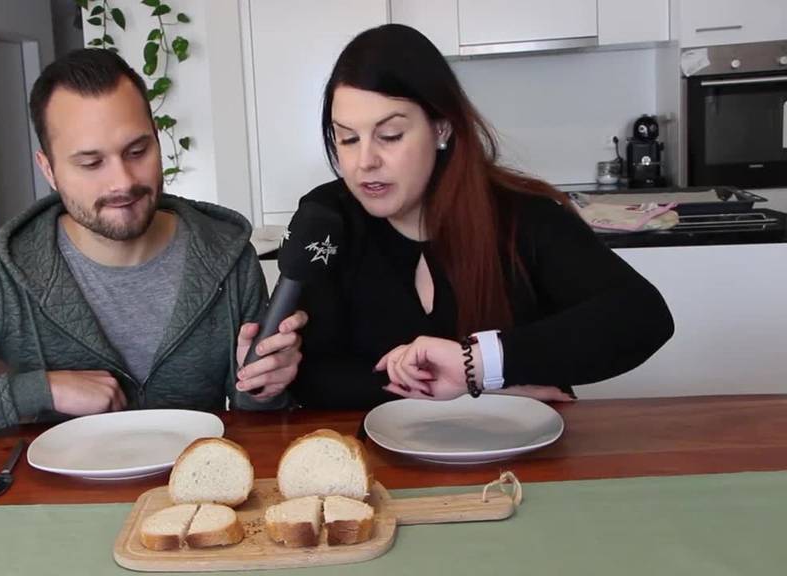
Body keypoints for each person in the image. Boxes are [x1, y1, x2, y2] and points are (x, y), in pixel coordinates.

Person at [0, 49, 304, 453]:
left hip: (194, 505)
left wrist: (264, 385)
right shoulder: (3, 274)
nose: (122, 181)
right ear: (49, 168)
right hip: (59, 514)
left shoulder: (225, 253)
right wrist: (40, 390)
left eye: (137, 150)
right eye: (90, 162)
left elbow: (256, 422)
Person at [289, 25, 674, 409]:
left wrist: (477, 364)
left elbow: (642, 317)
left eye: (389, 135)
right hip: (379, 462)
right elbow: (308, 375)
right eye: (348, 139)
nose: (365, 162)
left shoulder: (524, 217)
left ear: (441, 127)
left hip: (519, 462)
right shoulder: (328, 220)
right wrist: (481, 389)